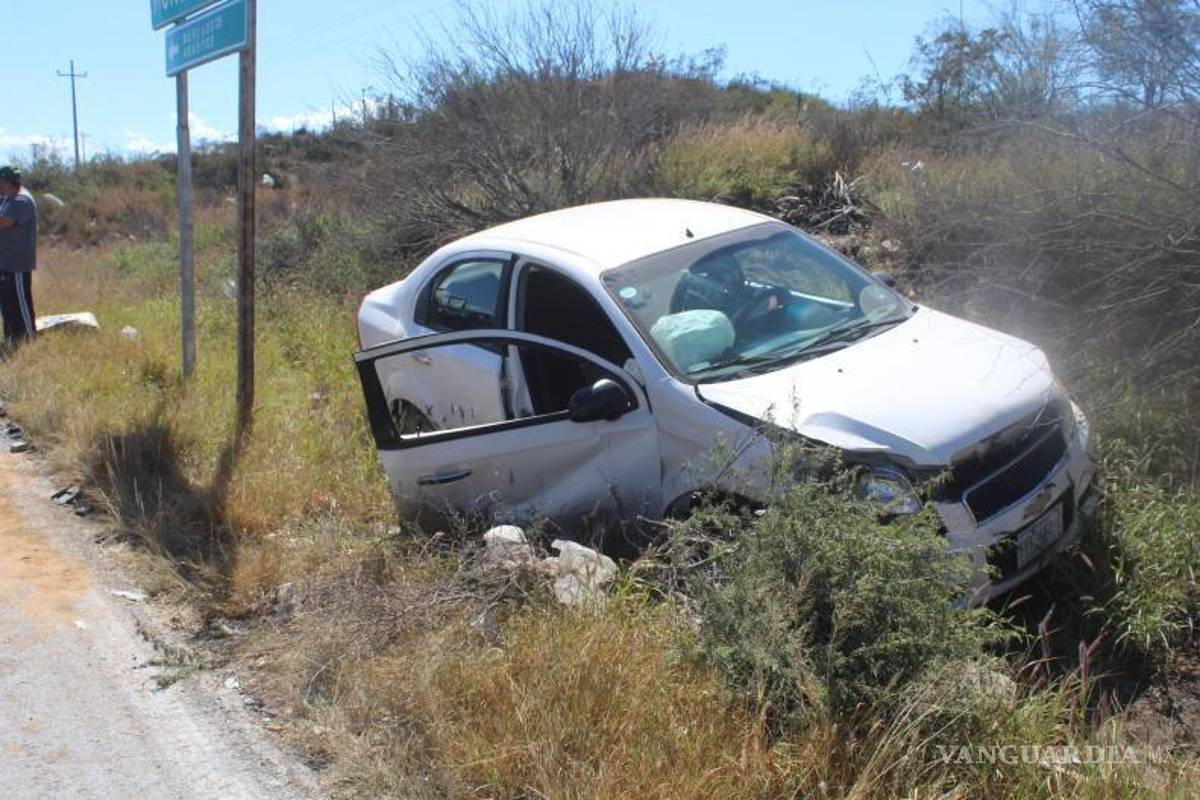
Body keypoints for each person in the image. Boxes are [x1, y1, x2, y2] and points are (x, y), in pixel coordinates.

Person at [0, 165, 37, 344]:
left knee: (21, 304)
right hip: (5, 262)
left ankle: (29, 339)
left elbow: (4, 222)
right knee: (7, 306)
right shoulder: (8, 198)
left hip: (17, 263)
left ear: (7, 181)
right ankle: (11, 340)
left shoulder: (21, 200)